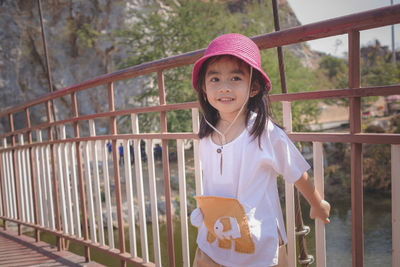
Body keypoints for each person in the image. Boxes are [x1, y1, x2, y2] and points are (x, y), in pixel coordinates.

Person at [189, 33, 330, 267]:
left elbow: (295, 171)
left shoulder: (262, 131)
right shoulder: (206, 134)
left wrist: (317, 204)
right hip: (214, 238)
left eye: (235, 78)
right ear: (204, 89)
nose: (224, 88)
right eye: (214, 79)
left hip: (257, 239)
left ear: (253, 87)